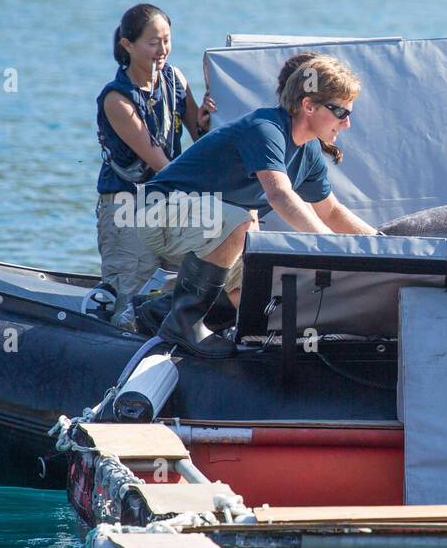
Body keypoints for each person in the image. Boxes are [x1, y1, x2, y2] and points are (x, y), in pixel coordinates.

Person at [140, 54, 378, 357]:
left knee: (257, 290)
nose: (347, 123)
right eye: (341, 112)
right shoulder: (265, 129)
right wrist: (326, 245)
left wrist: (380, 244)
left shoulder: (310, 152)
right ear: (308, 106)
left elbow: (331, 212)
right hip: (154, 213)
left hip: (204, 222)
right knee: (242, 221)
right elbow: (279, 195)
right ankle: (184, 323)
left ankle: (157, 311)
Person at [96, 3, 216, 324]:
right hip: (127, 205)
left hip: (169, 202)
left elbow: (200, 141)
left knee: (187, 286)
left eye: (167, 40)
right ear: (127, 45)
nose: (162, 50)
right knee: (130, 304)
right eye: (153, 43)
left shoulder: (175, 78)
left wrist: (205, 122)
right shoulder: (116, 99)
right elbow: (163, 165)